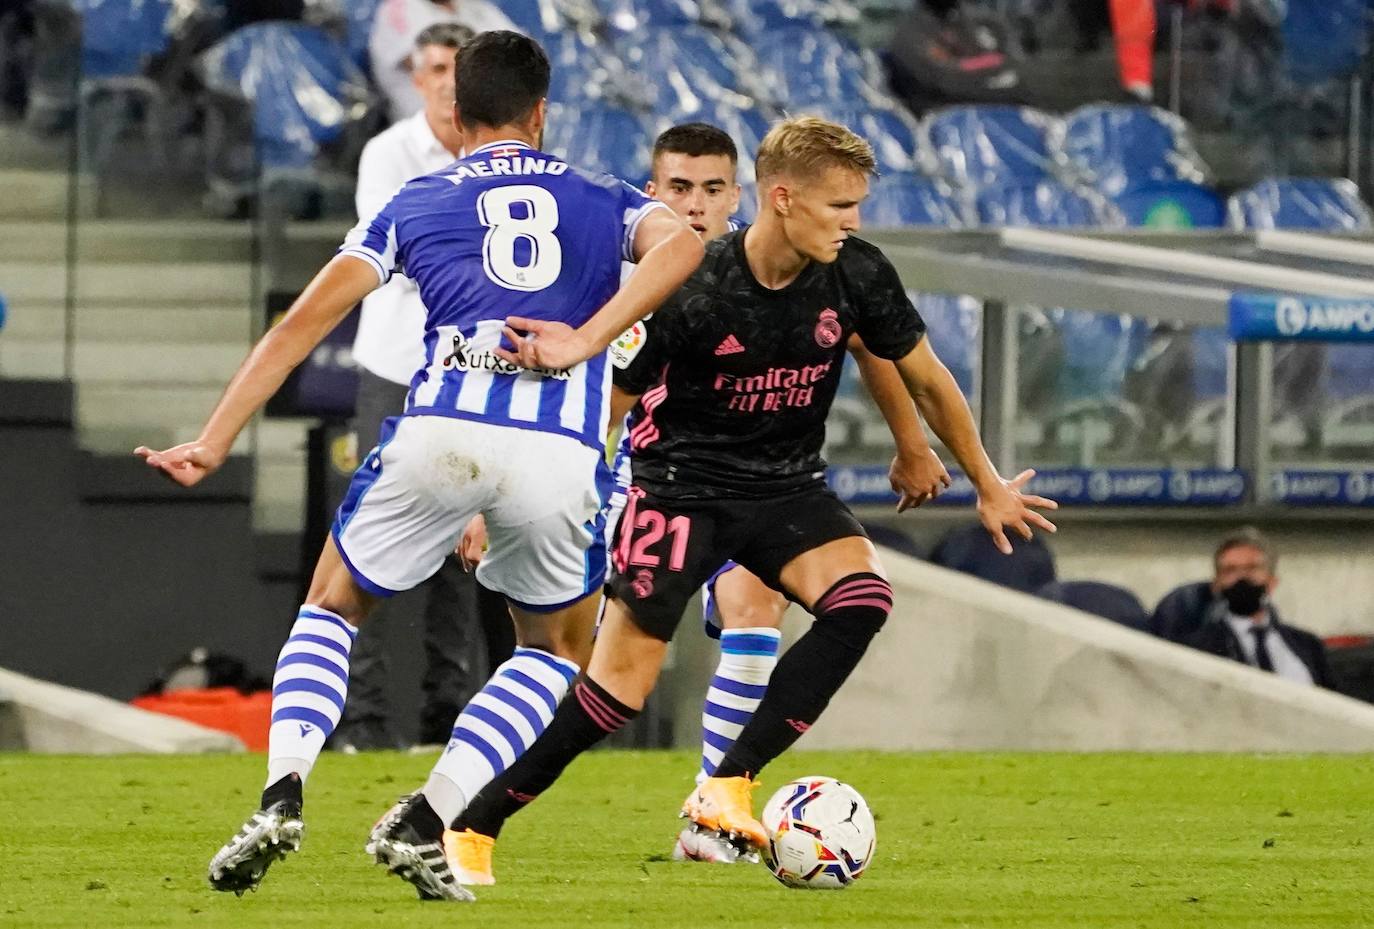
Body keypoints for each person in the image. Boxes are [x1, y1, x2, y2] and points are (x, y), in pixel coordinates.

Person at [135, 31, 703, 902]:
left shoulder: (417, 198)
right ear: (541, 112)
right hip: (559, 452)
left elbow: (301, 327)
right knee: (554, 647)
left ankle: (284, 790)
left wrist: (214, 437)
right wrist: (586, 337)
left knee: (334, 600)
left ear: (455, 112)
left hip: (443, 428)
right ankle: (427, 815)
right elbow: (683, 247)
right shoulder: (603, 194)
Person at [422, 115, 1057, 894]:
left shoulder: (857, 272)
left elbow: (924, 374)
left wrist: (985, 480)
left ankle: (728, 782)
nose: (853, 222)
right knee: (616, 690)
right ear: (783, 199)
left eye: (857, 206)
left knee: (862, 599)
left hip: (786, 485)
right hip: (679, 489)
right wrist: (521, 498)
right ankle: (475, 823)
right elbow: (609, 405)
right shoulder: (694, 288)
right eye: (839, 207)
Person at [335, 20, 515, 753]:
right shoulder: (388, 153)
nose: (445, 79)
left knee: (467, 550)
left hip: (472, 372)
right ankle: (363, 724)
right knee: (365, 542)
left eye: (457, 66)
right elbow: (400, 255)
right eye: (434, 65)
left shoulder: (502, 160)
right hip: (394, 368)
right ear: (415, 76)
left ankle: (448, 721)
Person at [1183, 527, 1333, 687]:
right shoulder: (1197, 650)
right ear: (1216, 584)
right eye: (1230, 570)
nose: (1241, 578)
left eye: (1251, 568)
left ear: (1272, 581)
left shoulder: (1307, 645)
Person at [369, 0, 515, 120]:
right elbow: (439, 63)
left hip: (486, 121)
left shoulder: (475, 6)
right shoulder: (397, 8)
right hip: (422, 134)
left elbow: (523, 52)